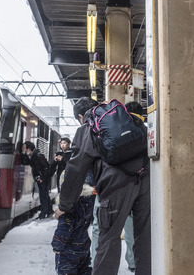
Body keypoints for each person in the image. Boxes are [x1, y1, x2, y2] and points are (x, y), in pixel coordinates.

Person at [56, 98, 150, 275]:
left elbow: (75, 171)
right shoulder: (126, 118)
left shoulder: (87, 128)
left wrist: (65, 205)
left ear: (81, 116)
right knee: (144, 238)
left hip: (116, 187)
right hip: (145, 179)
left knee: (108, 239)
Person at [52, 170, 95, 275]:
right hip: (84, 246)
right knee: (84, 270)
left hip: (69, 251)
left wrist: (57, 245)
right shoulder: (88, 202)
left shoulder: (67, 207)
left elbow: (64, 227)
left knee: (66, 271)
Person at [21, 140, 52, 219]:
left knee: (43, 196)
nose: (23, 150)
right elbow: (25, 162)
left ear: (29, 149)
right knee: (45, 195)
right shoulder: (32, 156)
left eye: (24, 148)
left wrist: (42, 178)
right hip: (41, 178)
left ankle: (43, 214)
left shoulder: (38, 156)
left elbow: (46, 167)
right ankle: (49, 211)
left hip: (44, 179)